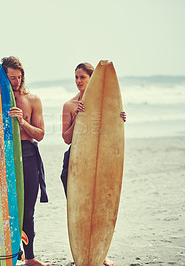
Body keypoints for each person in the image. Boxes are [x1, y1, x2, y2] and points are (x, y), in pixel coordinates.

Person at [60, 62, 126, 266]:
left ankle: (100, 253)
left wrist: (119, 119)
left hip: (101, 163)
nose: (78, 81)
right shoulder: (69, 105)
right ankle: (80, 255)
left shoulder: (107, 105)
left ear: (92, 79)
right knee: (80, 210)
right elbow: (66, 138)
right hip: (75, 164)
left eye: (83, 77)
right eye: (76, 77)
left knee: (100, 205)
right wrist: (78, 118)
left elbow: (109, 136)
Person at [2, 56, 50, 266]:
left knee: (27, 210)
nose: (16, 82)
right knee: (8, 209)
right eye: (11, 78)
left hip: (28, 153)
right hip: (5, 155)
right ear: (3, 77)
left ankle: (29, 257)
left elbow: (40, 134)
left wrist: (22, 121)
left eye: (19, 78)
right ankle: (12, 254)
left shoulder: (33, 100)